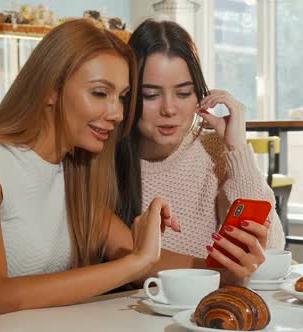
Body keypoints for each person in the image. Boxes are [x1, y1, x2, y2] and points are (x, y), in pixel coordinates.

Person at [0, 19, 185, 331]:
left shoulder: (73, 172)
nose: (118, 113)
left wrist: (228, 271)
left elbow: (146, 259)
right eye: (100, 93)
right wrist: (135, 263)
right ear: (50, 91)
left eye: (122, 96)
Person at [116, 19, 286, 283]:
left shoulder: (216, 150)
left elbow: (270, 249)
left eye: (183, 93)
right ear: (129, 95)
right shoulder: (106, 159)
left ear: (200, 96)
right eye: (151, 95)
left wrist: (237, 148)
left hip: (211, 310)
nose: (169, 109)